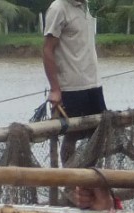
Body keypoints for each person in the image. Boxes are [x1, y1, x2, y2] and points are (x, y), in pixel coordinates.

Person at [42, 0, 106, 166]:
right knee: (72, 135)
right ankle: (71, 183)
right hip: (71, 87)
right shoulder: (58, 8)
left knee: (97, 133)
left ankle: (91, 182)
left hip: (93, 84)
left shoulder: (86, 5)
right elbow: (48, 49)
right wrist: (55, 89)